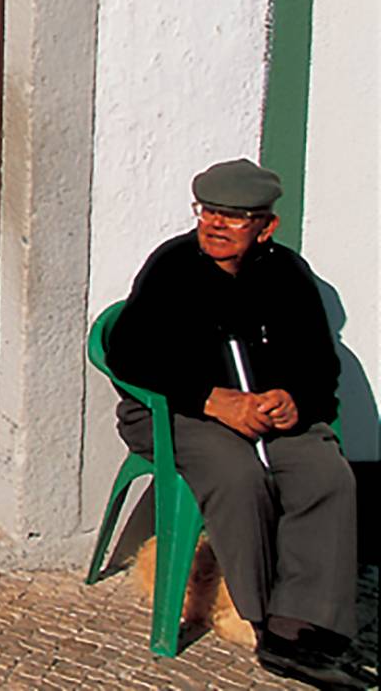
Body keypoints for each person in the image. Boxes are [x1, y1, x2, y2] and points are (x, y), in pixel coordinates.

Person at [107, 158, 363, 688]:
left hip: (262, 414)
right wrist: (211, 399)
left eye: (234, 216)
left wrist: (296, 399)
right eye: (208, 212)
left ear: (266, 226)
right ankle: (262, 623)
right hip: (177, 413)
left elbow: (320, 361)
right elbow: (129, 352)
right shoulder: (172, 266)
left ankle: (309, 626)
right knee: (237, 476)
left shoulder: (286, 274)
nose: (215, 225)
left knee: (326, 474)